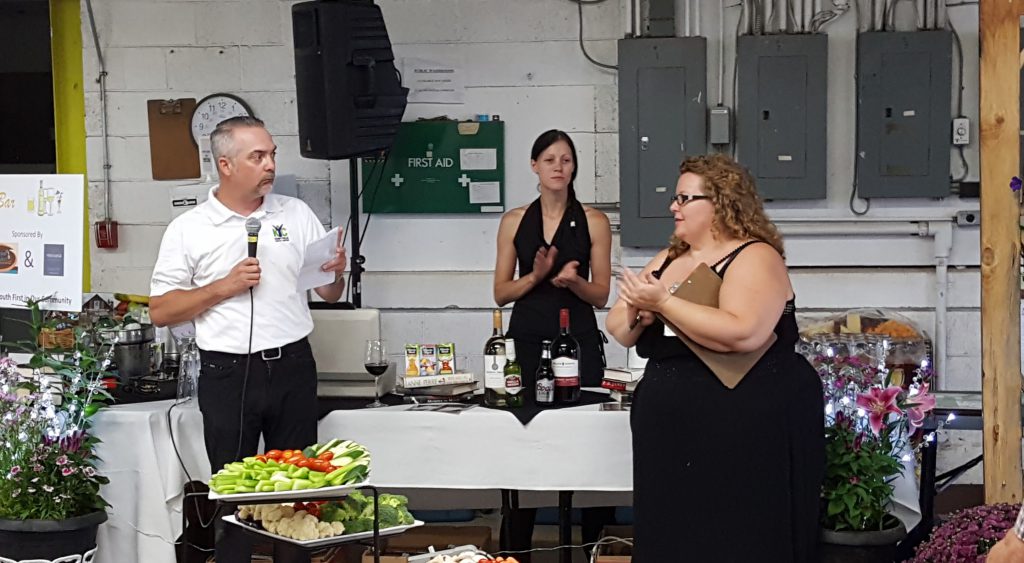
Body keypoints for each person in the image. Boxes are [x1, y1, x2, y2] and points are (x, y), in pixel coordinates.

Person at [606, 154, 824, 562]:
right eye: (675, 197)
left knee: (737, 534)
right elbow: (618, 326)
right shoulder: (670, 257)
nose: (674, 206)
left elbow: (742, 331)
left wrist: (665, 304)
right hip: (671, 434)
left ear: (721, 202)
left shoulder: (755, 256)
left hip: (744, 429)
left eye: (685, 198)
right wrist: (644, 311)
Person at [150, 116, 347, 563]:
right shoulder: (190, 227)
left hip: (293, 366)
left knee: (297, 492)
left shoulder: (294, 213)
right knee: (235, 493)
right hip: (228, 370)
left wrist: (335, 274)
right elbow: (161, 310)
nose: (270, 165)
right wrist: (223, 286)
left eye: (272, 154)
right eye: (257, 156)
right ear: (225, 164)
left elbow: (327, 293)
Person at [492, 129, 613, 560]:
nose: (558, 167)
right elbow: (501, 293)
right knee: (523, 444)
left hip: (577, 342)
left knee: (590, 442)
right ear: (534, 166)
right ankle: (516, 551)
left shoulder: (594, 220)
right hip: (525, 342)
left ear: (573, 166)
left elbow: (601, 295)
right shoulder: (514, 220)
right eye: (549, 160)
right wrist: (537, 277)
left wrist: (575, 282)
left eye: (565, 160)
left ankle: (593, 549)